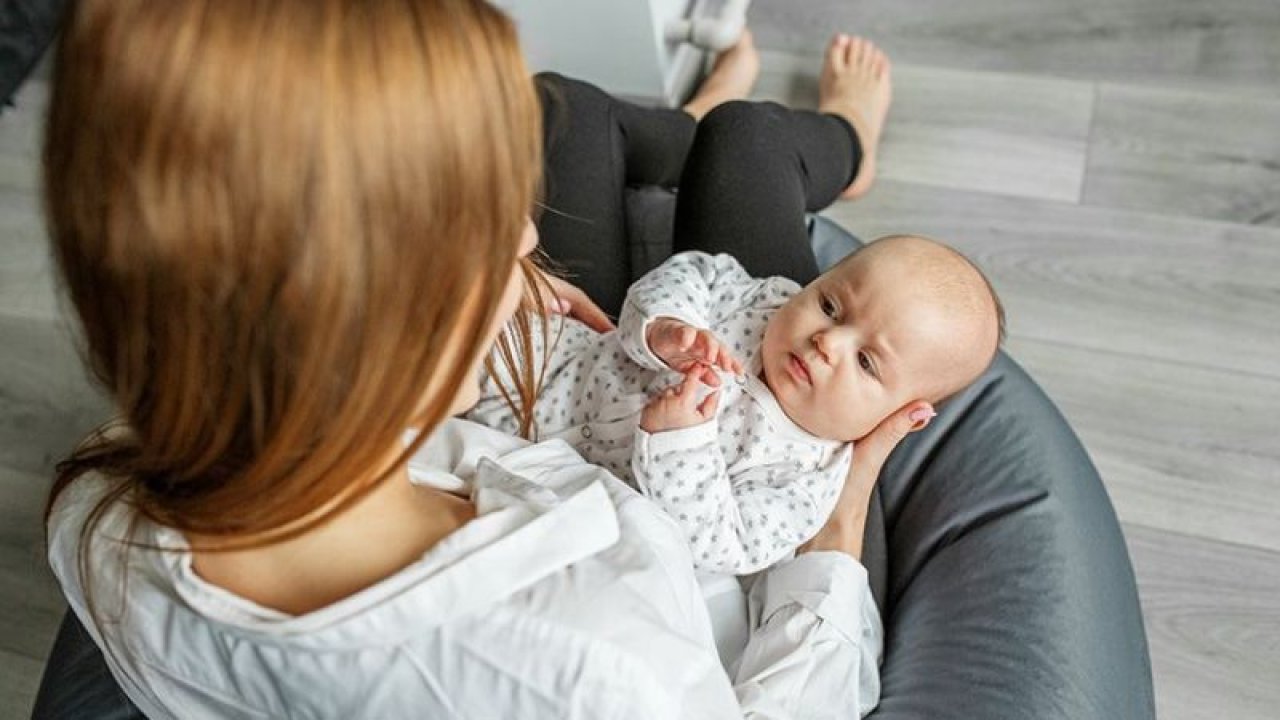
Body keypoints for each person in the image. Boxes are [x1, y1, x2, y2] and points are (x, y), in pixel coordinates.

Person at [42, 1, 929, 717]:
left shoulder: (91, 510)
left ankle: (682, 126)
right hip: (725, 519)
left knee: (568, 113)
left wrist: (492, 293)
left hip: (574, 387)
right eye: (488, 225)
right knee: (750, 142)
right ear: (387, 327)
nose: (529, 234)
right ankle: (828, 139)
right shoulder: (607, 666)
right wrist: (843, 506)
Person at [469, 237, 1004, 576]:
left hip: (541, 479)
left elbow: (723, 546)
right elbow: (697, 272)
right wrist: (664, 328)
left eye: (866, 363)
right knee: (440, 335)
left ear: (898, 415)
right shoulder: (761, 302)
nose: (828, 342)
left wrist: (681, 444)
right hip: (548, 356)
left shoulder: (805, 479)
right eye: (830, 304)